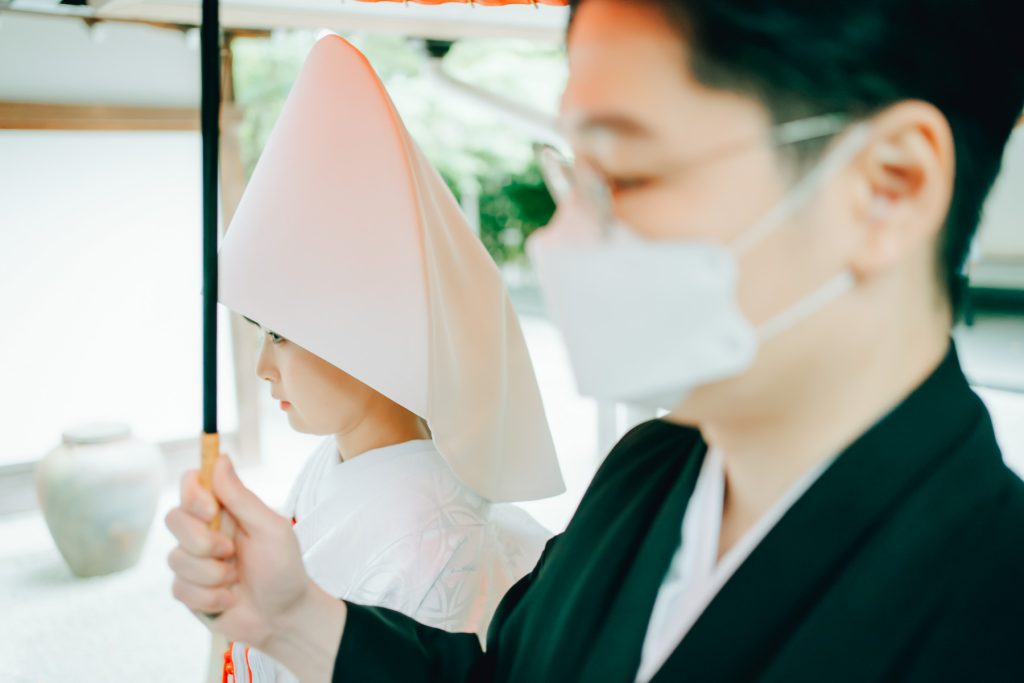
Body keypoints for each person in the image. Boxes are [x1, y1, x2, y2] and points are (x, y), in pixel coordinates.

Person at [166, 1, 1024, 681]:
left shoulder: (994, 613)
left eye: (624, 173)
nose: (557, 240)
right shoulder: (646, 474)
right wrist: (292, 615)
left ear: (890, 188)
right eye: (569, 173)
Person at [178, 36, 565, 683]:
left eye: (280, 335)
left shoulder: (428, 537)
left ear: (366, 331)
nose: (263, 368)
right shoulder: (336, 455)